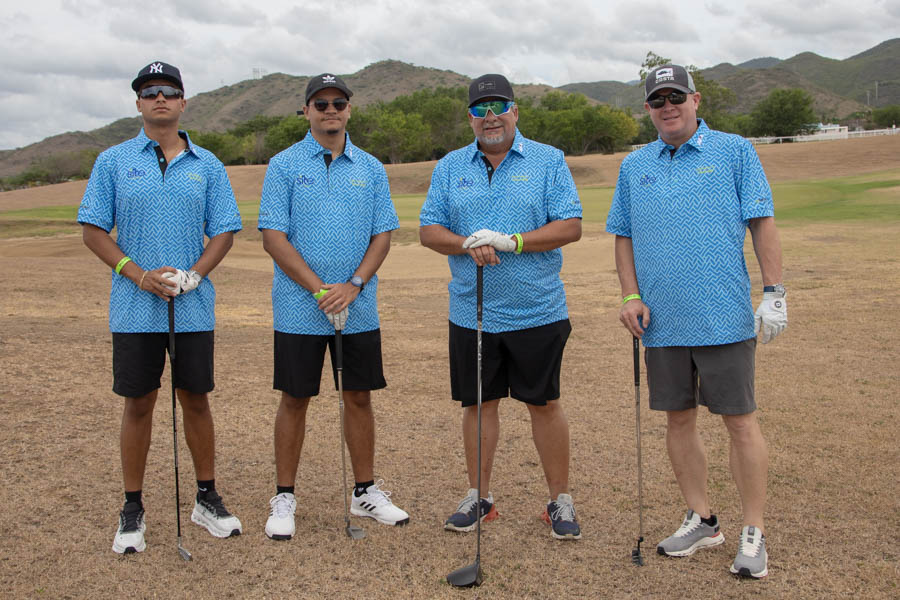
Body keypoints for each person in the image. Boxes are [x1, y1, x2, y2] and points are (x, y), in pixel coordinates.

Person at [606, 64, 787, 578]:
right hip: (660, 321)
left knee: (740, 421)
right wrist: (631, 295)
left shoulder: (734, 151)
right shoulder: (634, 165)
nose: (667, 107)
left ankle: (753, 530)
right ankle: (703, 519)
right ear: (648, 108)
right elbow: (623, 234)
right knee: (678, 420)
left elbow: (762, 220)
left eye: (675, 97)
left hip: (723, 316)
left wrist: (774, 292)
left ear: (695, 99)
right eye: (657, 100)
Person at [78, 61, 244, 554]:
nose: (160, 98)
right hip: (135, 306)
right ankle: (132, 507)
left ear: (183, 102)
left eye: (169, 91)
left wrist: (195, 275)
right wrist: (137, 274)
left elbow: (225, 231)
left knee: (196, 399)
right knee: (139, 403)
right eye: (150, 91)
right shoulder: (113, 161)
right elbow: (93, 230)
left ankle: (206, 497)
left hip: (192, 307)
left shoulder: (207, 164)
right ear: (138, 103)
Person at [419, 74, 583, 540]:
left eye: (498, 106)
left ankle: (559, 500)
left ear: (515, 111)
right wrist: (465, 243)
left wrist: (512, 241)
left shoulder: (548, 160)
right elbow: (429, 230)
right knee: (478, 403)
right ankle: (480, 497)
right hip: (471, 311)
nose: (489, 117)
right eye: (479, 109)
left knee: (544, 403)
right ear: (470, 117)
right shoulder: (451, 166)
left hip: (538, 310)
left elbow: (570, 225)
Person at [258, 73, 409, 540]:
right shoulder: (283, 165)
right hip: (298, 307)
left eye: (338, 103)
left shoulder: (371, 168)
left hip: (357, 305)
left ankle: (364, 491)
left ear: (349, 110)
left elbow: (382, 234)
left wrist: (354, 284)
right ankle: (285, 495)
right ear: (306, 111)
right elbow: (273, 236)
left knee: (358, 396)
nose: (330, 110)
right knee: (295, 397)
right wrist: (319, 289)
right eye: (320, 103)